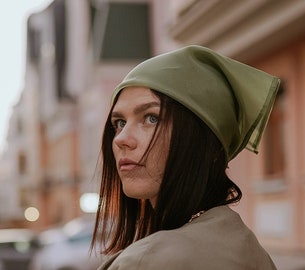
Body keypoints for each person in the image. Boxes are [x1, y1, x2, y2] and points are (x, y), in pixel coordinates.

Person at [92, 45, 280, 270]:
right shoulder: (251, 251)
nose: (121, 139)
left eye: (151, 118)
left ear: (202, 141)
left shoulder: (147, 262)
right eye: (119, 123)